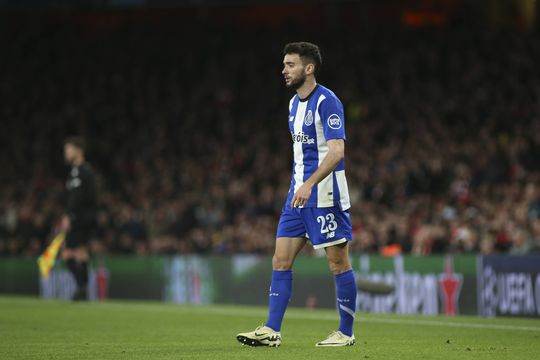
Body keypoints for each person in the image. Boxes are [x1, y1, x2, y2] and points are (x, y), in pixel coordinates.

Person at [236, 42, 357, 347]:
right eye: (284, 64)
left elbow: (337, 151)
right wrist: (298, 186)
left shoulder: (327, 101)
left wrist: (310, 184)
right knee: (280, 260)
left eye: (290, 64)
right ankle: (271, 330)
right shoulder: (292, 105)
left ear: (309, 68)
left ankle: (346, 332)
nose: (284, 70)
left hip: (324, 195)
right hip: (297, 197)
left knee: (338, 264)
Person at [61, 137, 97, 301]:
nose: (66, 153)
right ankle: (82, 289)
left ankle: (82, 289)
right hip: (78, 219)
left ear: (78, 151)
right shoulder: (75, 173)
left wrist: (71, 215)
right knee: (75, 254)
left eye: (69, 149)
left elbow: (84, 198)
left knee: (72, 254)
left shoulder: (84, 171)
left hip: (81, 219)